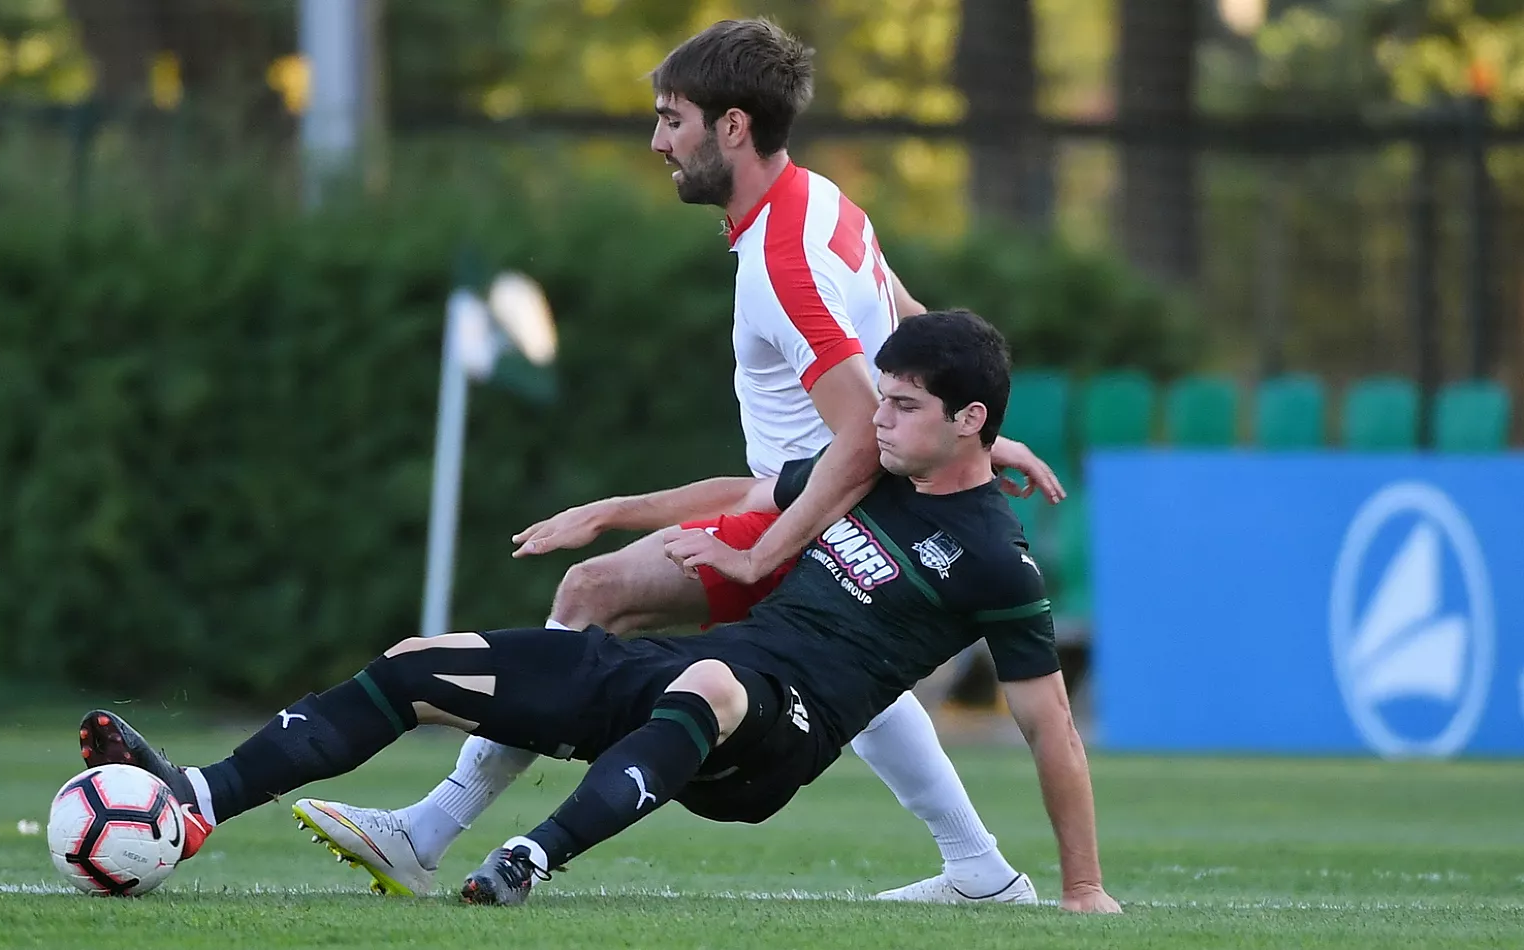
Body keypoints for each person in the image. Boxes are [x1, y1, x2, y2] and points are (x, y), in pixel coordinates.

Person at [295, 17, 1064, 904]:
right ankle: (979, 868)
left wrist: (768, 552)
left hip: (811, 512)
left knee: (594, 592)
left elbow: (861, 432)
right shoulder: (823, 201)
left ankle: (429, 829)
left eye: (671, 119)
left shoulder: (783, 259)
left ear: (732, 126)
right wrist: (977, 435)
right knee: (858, 685)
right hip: (812, 506)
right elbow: (915, 332)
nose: (658, 141)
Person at [76, 310, 1121, 913]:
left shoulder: (997, 559)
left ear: (967, 419)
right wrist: (610, 511)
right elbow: (743, 492)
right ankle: (196, 801)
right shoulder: (871, 468)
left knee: (709, 680)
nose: (875, 420)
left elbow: (1050, 726)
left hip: (779, 732)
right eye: (879, 398)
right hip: (705, 676)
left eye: (900, 405)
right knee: (416, 662)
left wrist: (1082, 890)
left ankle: (530, 856)